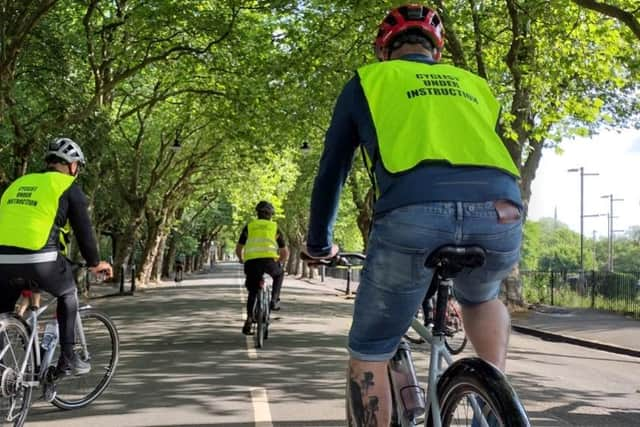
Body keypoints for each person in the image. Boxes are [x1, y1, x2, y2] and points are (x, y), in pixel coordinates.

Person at [303, 4, 523, 425]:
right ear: (437, 53)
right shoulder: (475, 84)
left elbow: (333, 168)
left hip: (413, 214)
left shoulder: (368, 81)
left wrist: (318, 242)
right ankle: (493, 404)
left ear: (384, 51)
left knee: (370, 348)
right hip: (500, 213)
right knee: (481, 297)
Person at [0, 137, 113, 376]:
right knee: (68, 292)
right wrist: (95, 263)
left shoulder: (19, 183)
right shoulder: (68, 187)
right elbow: (84, 232)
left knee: (2, 311)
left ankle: (3, 370)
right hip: (39, 260)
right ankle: (69, 356)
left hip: (2, 260)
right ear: (73, 166)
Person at [236, 201, 289, 335]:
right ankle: (274, 300)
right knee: (279, 274)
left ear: (257, 214)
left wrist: (241, 259)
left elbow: (239, 248)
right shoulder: (274, 227)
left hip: (252, 262)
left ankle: (249, 319)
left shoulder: (250, 227)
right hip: (269, 262)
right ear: (271, 215)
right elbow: (284, 252)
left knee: (253, 291)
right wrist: (281, 262)